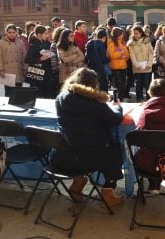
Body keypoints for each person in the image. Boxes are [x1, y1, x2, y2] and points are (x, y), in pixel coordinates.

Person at [52, 67, 125, 205]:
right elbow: (114, 120)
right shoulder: (95, 103)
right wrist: (117, 107)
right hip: (88, 158)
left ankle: (78, 182)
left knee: (83, 143)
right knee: (116, 149)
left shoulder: (61, 97)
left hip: (63, 155)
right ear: (93, 84)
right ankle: (108, 191)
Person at [0, 24, 27, 97]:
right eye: (9, 32)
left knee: (18, 91)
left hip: (18, 70)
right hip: (7, 70)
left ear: (16, 33)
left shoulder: (20, 42)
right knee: (9, 92)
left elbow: (24, 55)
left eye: (13, 32)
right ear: (6, 32)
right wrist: (0, 70)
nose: (11, 34)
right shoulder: (1, 42)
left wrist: (25, 67)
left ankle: (19, 105)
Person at [25, 25, 55, 98]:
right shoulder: (33, 45)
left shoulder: (43, 43)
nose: (47, 35)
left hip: (45, 74)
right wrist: (40, 59)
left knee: (46, 94)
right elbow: (27, 60)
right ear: (39, 34)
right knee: (39, 96)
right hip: (37, 75)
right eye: (45, 33)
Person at [127, 25, 153, 102]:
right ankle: (139, 99)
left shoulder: (147, 41)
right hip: (137, 68)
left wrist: (149, 64)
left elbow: (151, 53)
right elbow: (132, 56)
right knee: (139, 84)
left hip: (147, 67)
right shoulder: (131, 43)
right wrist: (137, 66)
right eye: (134, 33)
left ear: (141, 33)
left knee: (147, 84)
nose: (136, 35)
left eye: (137, 33)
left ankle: (149, 99)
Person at [107, 27, 129, 100]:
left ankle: (121, 98)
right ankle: (117, 99)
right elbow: (111, 55)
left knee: (123, 84)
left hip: (123, 67)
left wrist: (126, 56)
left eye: (122, 34)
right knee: (117, 85)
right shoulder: (111, 44)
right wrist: (120, 53)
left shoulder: (122, 43)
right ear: (116, 35)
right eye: (120, 34)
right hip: (115, 68)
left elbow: (126, 53)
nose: (122, 36)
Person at [85, 28, 110, 92]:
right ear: (104, 37)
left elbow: (86, 58)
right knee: (103, 87)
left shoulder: (89, 44)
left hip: (90, 69)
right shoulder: (101, 44)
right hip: (100, 69)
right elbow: (103, 59)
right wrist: (109, 58)